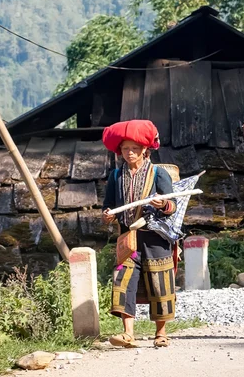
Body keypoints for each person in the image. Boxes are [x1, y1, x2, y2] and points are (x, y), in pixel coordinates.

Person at [101, 120, 177, 348]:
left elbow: (173, 207)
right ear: (119, 151)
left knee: (159, 284)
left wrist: (163, 203)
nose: (130, 153)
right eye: (125, 149)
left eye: (134, 148)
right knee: (123, 281)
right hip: (128, 238)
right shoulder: (115, 177)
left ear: (145, 149)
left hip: (155, 238)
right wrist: (108, 215)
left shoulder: (158, 174)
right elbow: (109, 206)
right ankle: (127, 334)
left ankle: (161, 333)